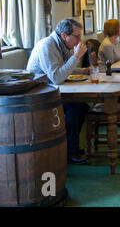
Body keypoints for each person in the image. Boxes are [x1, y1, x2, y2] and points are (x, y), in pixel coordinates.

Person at [27, 18, 90, 165]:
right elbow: (56, 77)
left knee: (82, 106)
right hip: (39, 95)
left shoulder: (61, 45)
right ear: (64, 36)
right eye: (77, 36)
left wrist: (83, 70)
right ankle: (69, 152)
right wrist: (76, 57)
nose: (79, 40)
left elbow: (67, 69)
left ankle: (70, 146)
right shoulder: (47, 46)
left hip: (53, 91)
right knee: (76, 109)